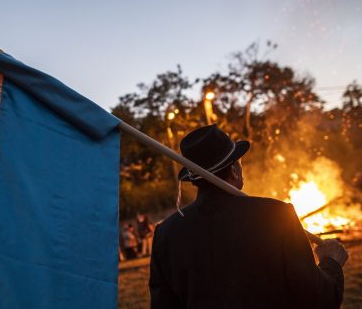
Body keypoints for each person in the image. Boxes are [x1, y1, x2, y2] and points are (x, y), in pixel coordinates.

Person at [149, 124, 348, 309]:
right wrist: (331, 262)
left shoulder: (165, 233)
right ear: (234, 171)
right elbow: (318, 301)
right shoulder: (277, 216)